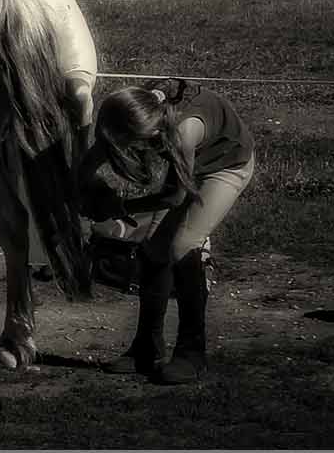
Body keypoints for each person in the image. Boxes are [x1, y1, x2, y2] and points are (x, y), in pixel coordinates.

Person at [79, 80, 256, 385]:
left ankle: (192, 353)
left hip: (226, 165)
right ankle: (146, 348)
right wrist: (80, 191)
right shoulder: (135, 108)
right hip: (194, 162)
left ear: (146, 134)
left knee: (183, 246)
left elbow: (174, 195)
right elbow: (89, 162)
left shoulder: (183, 131)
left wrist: (120, 206)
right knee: (153, 250)